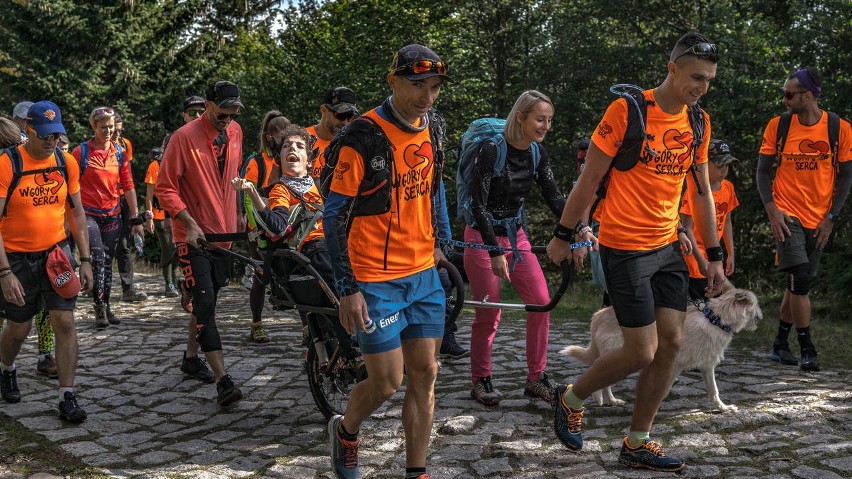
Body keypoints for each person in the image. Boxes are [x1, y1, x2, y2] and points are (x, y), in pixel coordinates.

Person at [546, 31, 724, 472]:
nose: (701, 87)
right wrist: (563, 233)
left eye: (709, 80)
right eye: (696, 77)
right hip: (624, 247)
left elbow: (701, 194)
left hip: (668, 247)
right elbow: (588, 179)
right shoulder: (628, 111)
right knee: (642, 350)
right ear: (672, 68)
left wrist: (713, 253)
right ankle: (570, 397)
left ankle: (637, 442)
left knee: (672, 346)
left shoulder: (698, 123)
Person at [324, 43, 449, 479]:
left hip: (423, 275)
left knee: (426, 373)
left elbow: (435, 188)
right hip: (374, 279)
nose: (426, 97)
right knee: (386, 381)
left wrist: (441, 241)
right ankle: (346, 429)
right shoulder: (362, 135)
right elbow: (334, 214)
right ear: (392, 80)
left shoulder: (433, 125)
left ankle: (417, 471)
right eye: (417, 86)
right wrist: (347, 287)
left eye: (434, 87)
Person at [463, 90, 566, 406]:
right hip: (481, 238)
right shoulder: (491, 150)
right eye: (540, 119)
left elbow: (555, 197)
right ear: (520, 116)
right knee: (488, 310)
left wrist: (580, 228)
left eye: (549, 120)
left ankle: (536, 378)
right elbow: (477, 205)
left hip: (516, 237)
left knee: (541, 302)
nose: (546, 126)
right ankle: (481, 380)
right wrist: (494, 251)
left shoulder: (537, 153)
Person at [0, 100, 93, 423]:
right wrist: (4, 272)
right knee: (19, 327)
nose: (51, 141)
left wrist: (84, 258)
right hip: (15, 257)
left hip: (56, 254)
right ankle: (7, 368)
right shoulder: (8, 163)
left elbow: (77, 212)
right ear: (28, 130)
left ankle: (66, 395)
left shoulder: (66, 163)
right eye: (44, 136)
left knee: (64, 321)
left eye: (56, 135)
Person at [155, 80, 245, 406]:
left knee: (209, 299)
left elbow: (232, 181)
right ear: (207, 104)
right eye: (223, 112)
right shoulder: (183, 138)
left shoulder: (235, 132)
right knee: (206, 304)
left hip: (225, 236)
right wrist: (189, 223)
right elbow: (165, 189)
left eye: (234, 112)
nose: (228, 118)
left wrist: (243, 215)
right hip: (192, 237)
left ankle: (191, 357)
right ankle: (224, 381)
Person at [756, 67, 852, 372]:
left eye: (788, 94)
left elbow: (847, 176)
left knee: (798, 283)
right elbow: (761, 172)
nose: (784, 100)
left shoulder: (840, 129)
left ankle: (779, 345)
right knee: (800, 277)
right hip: (786, 215)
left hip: (820, 220)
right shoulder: (778, 126)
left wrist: (831, 218)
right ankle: (807, 348)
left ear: (807, 96)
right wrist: (772, 210)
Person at [71, 107, 144, 328]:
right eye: (103, 127)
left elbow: (129, 185)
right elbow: (71, 186)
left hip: (112, 213)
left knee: (108, 261)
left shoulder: (119, 152)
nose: (108, 131)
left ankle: (106, 306)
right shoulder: (80, 152)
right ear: (93, 127)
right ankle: (100, 308)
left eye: (111, 126)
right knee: (98, 258)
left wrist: (135, 217)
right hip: (88, 214)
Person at [239, 110, 289, 343]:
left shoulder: (290, 159)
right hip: (259, 231)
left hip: (285, 228)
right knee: (261, 275)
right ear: (271, 138)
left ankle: (308, 327)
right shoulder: (256, 162)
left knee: (294, 275)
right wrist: (257, 229)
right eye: (283, 138)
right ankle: (256, 323)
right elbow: (248, 199)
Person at [681, 139, 739, 300]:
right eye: (720, 166)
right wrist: (700, 261)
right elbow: (686, 229)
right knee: (702, 306)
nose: (724, 171)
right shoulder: (694, 191)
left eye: (727, 166)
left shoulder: (728, 188)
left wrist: (730, 254)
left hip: (714, 256)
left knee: (714, 302)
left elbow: (727, 222)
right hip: (695, 258)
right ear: (705, 165)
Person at [112, 112, 148, 303]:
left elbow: (127, 176)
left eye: (120, 130)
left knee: (124, 245)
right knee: (105, 247)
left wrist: (135, 213)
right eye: (113, 130)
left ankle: (128, 289)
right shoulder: (94, 147)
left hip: (123, 198)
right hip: (105, 201)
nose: (117, 134)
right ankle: (98, 289)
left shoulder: (125, 145)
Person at [143, 146, 179, 297]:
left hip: (176, 213)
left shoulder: (176, 162)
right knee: (167, 247)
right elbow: (149, 195)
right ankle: (169, 283)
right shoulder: (154, 166)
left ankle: (175, 278)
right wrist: (149, 217)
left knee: (178, 247)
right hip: (159, 215)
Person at [307, 87, 357, 180]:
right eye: (341, 115)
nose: (346, 123)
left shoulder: (352, 145)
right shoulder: (300, 140)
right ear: (324, 110)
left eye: (350, 117)